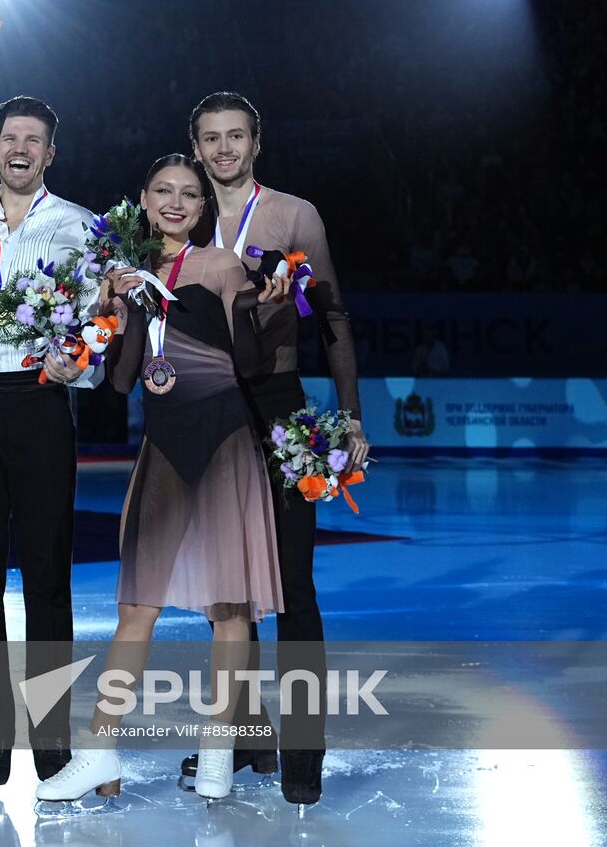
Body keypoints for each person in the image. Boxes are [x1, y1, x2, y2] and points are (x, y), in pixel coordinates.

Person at [34, 154, 288, 806]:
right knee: (135, 607)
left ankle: (216, 751)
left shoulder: (222, 268)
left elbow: (254, 364)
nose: (176, 202)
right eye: (163, 191)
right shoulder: (130, 278)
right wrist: (112, 307)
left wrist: (274, 312)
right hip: (164, 447)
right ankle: (98, 752)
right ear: (143, 200)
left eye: (189, 195)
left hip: (227, 441)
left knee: (229, 608)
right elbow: (120, 383)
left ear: (204, 210)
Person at [185, 91, 370, 805]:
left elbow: (333, 318)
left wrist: (349, 415)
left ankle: (302, 757)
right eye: (211, 138)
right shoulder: (183, 217)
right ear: (195, 146)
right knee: (228, 596)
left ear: (256, 142)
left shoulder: (296, 215)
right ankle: (245, 739)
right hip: (205, 415)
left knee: (293, 586)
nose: (224, 149)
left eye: (235, 136)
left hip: (280, 410)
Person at [0, 94, 104, 786]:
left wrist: (83, 362)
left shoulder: (80, 226)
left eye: (34, 139)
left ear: (50, 153)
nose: (21, 148)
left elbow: (102, 319)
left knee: (47, 577)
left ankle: (50, 732)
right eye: (10, 137)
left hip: (41, 403)